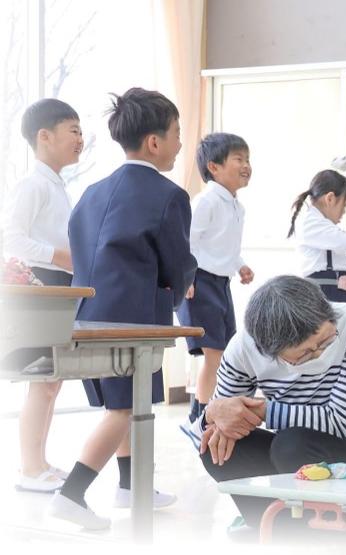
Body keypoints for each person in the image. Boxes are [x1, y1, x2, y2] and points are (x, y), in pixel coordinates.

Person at [49, 88, 197, 530]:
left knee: (123, 402)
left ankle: (131, 484)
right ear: (154, 142)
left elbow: (81, 250)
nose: (179, 144)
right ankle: (71, 494)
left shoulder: (91, 192)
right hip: (134, 319)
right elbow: (177, 262)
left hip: (84, 314)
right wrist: (176, 293)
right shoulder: (169, 195)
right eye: (176, 134)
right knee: (126, 409)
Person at [195, 275, 346, 537]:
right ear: (269, 351)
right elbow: (221, 420)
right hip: (297, 456)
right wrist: (213, 412)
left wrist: (263, 410)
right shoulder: (243, 350)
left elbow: (339, 420)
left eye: (325, 341)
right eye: (304, 354)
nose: (319, 353)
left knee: (291, 444)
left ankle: (337, 530)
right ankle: (283, 531)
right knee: (217, 446)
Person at [2, 98, 82, 493]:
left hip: (58, 285)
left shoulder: (55, 183)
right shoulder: (32, 183)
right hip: (40, 286)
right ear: (44, 136)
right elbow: (11, 237)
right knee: (42, 379)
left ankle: (41, 462)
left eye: (81, 131)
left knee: (53, 381)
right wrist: (60, 256)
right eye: (73, 131)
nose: (80, 139)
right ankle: (30, 469)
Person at [176, 132, 254, 432]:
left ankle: (201, 414)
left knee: (223, 351)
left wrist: (241, 265)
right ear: (214, 167)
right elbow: (189, 241)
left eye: (248, 160)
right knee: (215, 354)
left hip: (221, 283)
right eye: (239, 159)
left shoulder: (236, 205)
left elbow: (225, 248)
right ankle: (199, 417)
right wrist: (187, 277)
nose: (246, 166)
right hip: (200, 282)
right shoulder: (206, 201)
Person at [287, 169, 346, 302]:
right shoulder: (310, 222)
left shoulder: (326, 229)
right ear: (330, 198)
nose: (344, 212)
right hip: (324, 296)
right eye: (344, 206)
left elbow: (341, 249)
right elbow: (344, 243)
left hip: (342, 294)